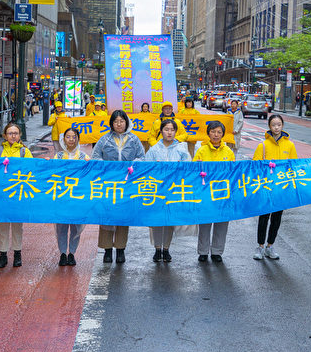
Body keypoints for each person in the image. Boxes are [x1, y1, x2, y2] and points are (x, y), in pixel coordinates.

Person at [92, 110, 145, 264]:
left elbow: (142, 156)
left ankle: (120, 249)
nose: (119, 124)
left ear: (126, 122)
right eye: (116, 121)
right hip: (108, 184)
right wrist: (105, 168)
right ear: (111, 123)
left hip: (127, 183)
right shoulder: (104, 139)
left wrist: (135, 165)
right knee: (107, 215)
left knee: (123, 216)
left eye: (122, 121)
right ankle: (107, 250)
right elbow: (96, 157)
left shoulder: (134, 139)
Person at [144, 119, 191, 262]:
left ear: (176, 132)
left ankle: (167, 249)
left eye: (172, 130)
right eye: (166, 129)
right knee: (157, 221)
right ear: (161, 131)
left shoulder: (182, 149)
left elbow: (188, 168)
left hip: (173, 191)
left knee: (170, 221)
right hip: (156, 191)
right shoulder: (153, 150)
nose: (169, 132)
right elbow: (146, 170)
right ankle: (157, 249)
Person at [252, 115, 297, 261]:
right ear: (269, 126)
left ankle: (270, 246)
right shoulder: (263, 145)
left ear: (282, 126)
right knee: (264, 217)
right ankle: (260, 246)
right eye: (273, 125)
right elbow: (255, 167)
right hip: (266, 187)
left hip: (281, 188)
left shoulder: (289, 145)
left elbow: (294, 166)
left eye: (279, 125)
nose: (276, 127)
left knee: (277, 218)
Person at [0, 123, 33, 268]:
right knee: (3, 225)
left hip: (18, 194)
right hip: (3, 194)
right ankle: (3, 254)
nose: (13, 136)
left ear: (20, 135)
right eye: (10, 133)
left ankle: (17, 253)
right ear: (5, 135)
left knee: (17, 226)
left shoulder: (24, 151)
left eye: (16, 133)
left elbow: (32, 168)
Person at [193, 121, 235, 263]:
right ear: (208, 133)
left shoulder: (228, 152)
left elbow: (233, 172)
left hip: (223, 193)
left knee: (221, 223)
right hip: (205, 193)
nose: (216, 135)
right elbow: (194, 170)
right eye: (213, 131)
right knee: (204, 222)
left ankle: (217, 251)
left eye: (219, 132)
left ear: (223, 134)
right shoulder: (201, 150)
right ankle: (203, 251)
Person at [54, 128, 89, 266]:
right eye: (68, 137)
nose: (71, 139)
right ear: (64, 140)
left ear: (77, 139)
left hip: (77, 198)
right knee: (61, 227)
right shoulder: (58, 156)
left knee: (76, 227)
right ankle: (63, 253)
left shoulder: (84, 157)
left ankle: (72, 253)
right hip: (62, 197)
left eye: (74, 137)